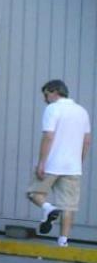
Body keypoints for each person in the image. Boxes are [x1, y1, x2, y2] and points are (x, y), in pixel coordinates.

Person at [27, 80, 92, 246]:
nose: (45, 99)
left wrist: (41, 163)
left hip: (52, 163)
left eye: (46, 94)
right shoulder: (82, 111)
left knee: (34, 193)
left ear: (55, 91)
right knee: (68, 206)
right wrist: (79, 161)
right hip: (73, 167)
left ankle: (48, 209)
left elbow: (48, 136)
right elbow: (87, 141)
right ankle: (63, 242)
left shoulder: (53, 108)